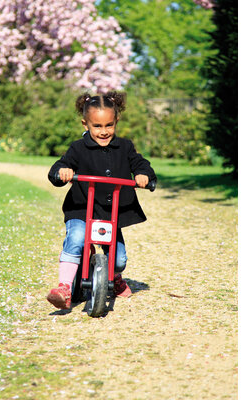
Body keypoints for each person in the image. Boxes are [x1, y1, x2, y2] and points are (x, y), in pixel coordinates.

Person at [46, 91, 157, 310]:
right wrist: (64, 172)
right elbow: (57, 168)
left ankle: (114, 278)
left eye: (109, 125)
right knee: (76, 239)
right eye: (97, 126)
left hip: (111, 213)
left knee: (119, 260)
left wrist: (144, 175)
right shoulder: (78, 148)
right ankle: (65, 287)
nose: (104, 132)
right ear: (85, 124)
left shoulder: (125, 147)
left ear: (116, 121)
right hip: (81, 209)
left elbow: (141, 164)